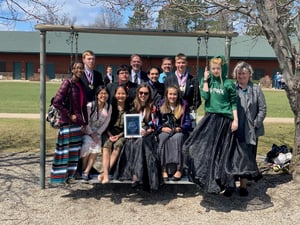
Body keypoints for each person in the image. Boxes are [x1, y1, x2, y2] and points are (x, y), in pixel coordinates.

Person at [182, 55, 238, 195]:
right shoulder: (207, 81)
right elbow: (205, 97)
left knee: (223, 152)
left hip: (225, 120)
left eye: (218, 68)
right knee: (198, 147)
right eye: (213, 68)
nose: (215, 71)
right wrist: (206, 79)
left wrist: (235, 120)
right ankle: (207, 180)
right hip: (210, 119)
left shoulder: (228, 83)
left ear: (222, 68)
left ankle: (226, 183)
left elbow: (233, 104)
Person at [229, 61, 266, 196]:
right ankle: (231, 184)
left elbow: (262, 109)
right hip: (236, 128)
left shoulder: (256, 89)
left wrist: (255, 123)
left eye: (244, 73)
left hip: (251, 130)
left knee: (247, 157)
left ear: (249, 74)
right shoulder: (232, 88)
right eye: (239, 73)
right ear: (236, 75)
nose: (241, 76)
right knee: (233, 156)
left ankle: (243, 186)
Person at [114, 84, 160, 191]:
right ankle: (133, 173)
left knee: (141, 141)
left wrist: (148, 131)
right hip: (134, 133)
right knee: (131, 142)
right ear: (138, 93)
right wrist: (131, 132)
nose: (143, 95)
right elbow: (128, 122)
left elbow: (155, 124)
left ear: (149, 94)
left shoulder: (152, 107)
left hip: (148, 134)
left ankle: (136, 175)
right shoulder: (132, 105)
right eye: (141, 93)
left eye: (146, 93)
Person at [50, 61, 88, 184]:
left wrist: (85, 122)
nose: (79, 70)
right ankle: (58, 178)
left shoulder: (81, 84)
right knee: (64, 152)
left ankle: (69, 177)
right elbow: (56, 102)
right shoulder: (67, 83)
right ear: (72, 70)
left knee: (74, 153)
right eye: (77, 68)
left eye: (81, 68)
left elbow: (83, 106)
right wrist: (69, 114)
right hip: (68, 123)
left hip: (77, 124)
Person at [157, 85, 192, 181]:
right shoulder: (160, 104)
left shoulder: (183, 104)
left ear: (178, 95)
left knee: (178, 138)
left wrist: (180, 128)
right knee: (163, 137)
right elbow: (156, 121)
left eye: (175, 94)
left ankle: (179, 169)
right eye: (170, 94)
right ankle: (163, 169)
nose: (172, 96)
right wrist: (162, 128)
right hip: (165, 130)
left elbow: (188, 122)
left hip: (178, 130)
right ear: (166, 95)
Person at [98, 85, 130, 183]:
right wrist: (109, 134)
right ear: (115, 95)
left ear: (127, 95)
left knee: (117, 145)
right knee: (106, 145)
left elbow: (131, 125)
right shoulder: (110, 107)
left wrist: (119, 136)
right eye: (119, 93)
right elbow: (104, 123)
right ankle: (106, 175)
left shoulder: (130, 107)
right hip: (109, 132)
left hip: (123, 134)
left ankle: (104, 173)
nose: (121, 96)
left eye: (123, 93)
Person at [80, 86, 112, 181]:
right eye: (101, 93)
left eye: (105, 93)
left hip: (98, 132)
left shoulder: (109, 107)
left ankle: (86, 171)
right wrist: (91, 133)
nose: (103, 96)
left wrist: (98, 133)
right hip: (87, 131)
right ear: (97, 95)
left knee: (96, 147)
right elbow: (86, 121)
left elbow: (107, 122)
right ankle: (83, 168)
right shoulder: (90, 106)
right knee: (87, 144)